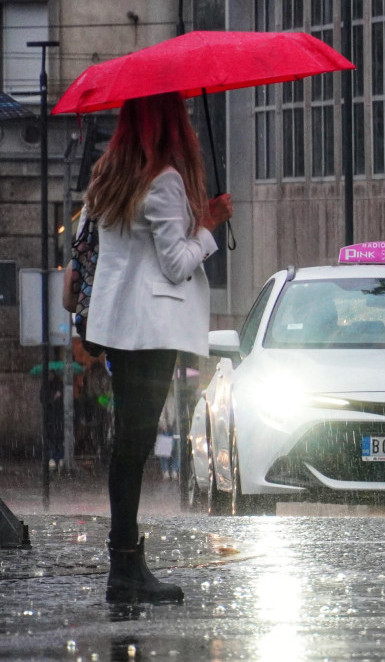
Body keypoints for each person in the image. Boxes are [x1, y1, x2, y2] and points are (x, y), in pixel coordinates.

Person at [81, 92, 232, 604]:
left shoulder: (112, 175)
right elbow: (175, 263)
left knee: (128, 444)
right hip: (152, 330)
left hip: (122, 327)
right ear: (171, 121)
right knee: (135, 444)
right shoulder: (164, 180)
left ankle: (124, 560)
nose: (190, 121)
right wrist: (209, 227)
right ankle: (125, 567)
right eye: (183, 114)